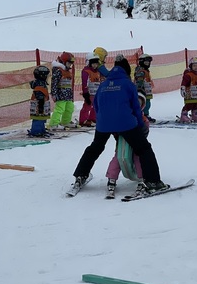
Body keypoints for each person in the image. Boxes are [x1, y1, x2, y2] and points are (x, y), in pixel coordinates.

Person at [71, 55, 168, 195]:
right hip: (125, 123)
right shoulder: (128, 84)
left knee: (95, 148)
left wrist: (103, 119)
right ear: (127, 71)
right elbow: (136, 108)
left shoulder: (103, 84)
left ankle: (80, 174)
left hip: (103, 124)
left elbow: (96, 105)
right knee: (143, 148)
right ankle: (153, 181)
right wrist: (140, 125)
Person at [105, 92, 149, 197]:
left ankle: (142, 179)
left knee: (138, 159)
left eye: (139, 104)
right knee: (117, 159)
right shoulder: (122, 115)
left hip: (136, 144)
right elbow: (114, 127)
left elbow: (145, 131)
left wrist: (141, 133)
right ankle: (111, 178)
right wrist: (117, 134)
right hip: (122, 142)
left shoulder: (142, 118)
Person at [49, 51, 76, 129]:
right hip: (61, 94)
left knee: (70, 108)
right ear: (63, 62)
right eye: (68, 63)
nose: (70, 65)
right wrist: (54, 94)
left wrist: (71, 95)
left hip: (68, 95)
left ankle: (65, 121)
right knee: (60, 109)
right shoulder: (58, 71)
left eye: (71, 64)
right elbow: (54, 83)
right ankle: (54, 123)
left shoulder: (67, 72)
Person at [79, 53, 104, 127]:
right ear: (88, 63)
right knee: (87, 106)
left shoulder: (98, 72)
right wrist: (85, 93)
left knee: (96, 106)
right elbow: (84, 82)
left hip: (96, 93)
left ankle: (92, 119)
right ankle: (83, 120)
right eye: (93, 64)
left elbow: (100, 81)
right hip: (89, 94)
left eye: (96, 64)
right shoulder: (86, 71)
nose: (95, 65)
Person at [27, 65, 51, 137]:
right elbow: (40, 97)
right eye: (47, 76)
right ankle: (36, 131)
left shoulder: (42, 84)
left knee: (41, 119)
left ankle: (41, 130)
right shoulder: (40, 86)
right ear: (42, 76)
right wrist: (40, 107)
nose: (48, 78)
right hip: (39, 106)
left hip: (42, 105)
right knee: (38, 119)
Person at [179, 56, 197, 123]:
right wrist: (183, 89)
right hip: (190, 93)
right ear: (191, 66)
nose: (196, 67)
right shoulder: (188, 75)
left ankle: (194, 115)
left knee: (196, 105)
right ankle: (183, 115)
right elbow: (184, 83)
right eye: (194, 66)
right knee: (189, 105)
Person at [134, 53, 156, 123]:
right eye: (146, 62)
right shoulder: (141, 71)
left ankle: (146, 115)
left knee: (148, 104)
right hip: (142, 91)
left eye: (149, 62)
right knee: (144, 104)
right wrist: (140, 88)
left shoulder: (146, 71)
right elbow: (139, 81)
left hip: (147, 91)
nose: (148, 64)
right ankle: (143, 115)